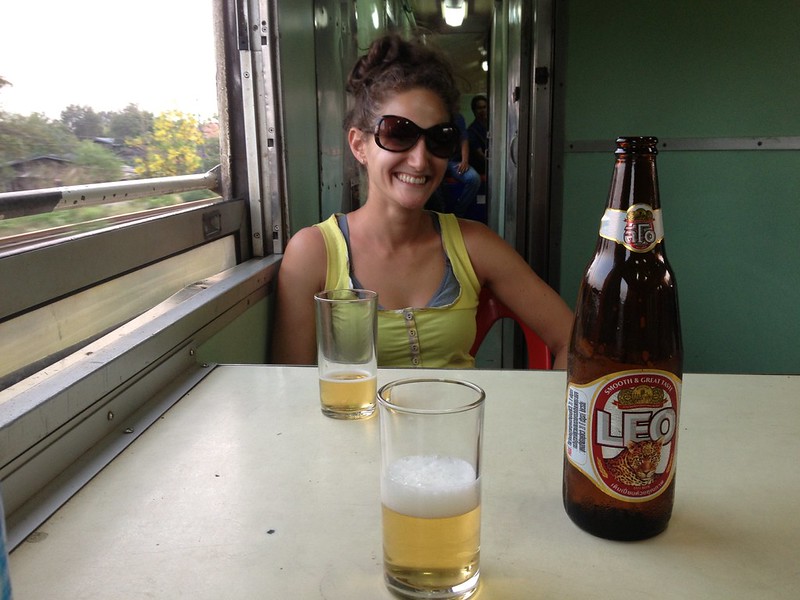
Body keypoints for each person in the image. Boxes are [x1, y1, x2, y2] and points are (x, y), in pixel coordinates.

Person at [271, 34, 572, 369]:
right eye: (398, 133)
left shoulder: (474, 244)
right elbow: (290, 391)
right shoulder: (314, 253)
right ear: (359, 145)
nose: (419, 160)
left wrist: (555, 419)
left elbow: (572, 341)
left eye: (439, 139)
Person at [443, 112, 481, 217]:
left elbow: (464, 140)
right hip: (438, 161)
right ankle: (439, 214)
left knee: (474, 178)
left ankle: (458, 213)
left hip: (455, 162)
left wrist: (464, 161)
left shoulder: (458, 117)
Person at [467, 94, 489, 176]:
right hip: (481, 168)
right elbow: (481, 156)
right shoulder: (471, 131)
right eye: (479, 108)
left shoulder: (494, 126)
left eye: (484, 107)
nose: (483, 110)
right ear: (474, 111)